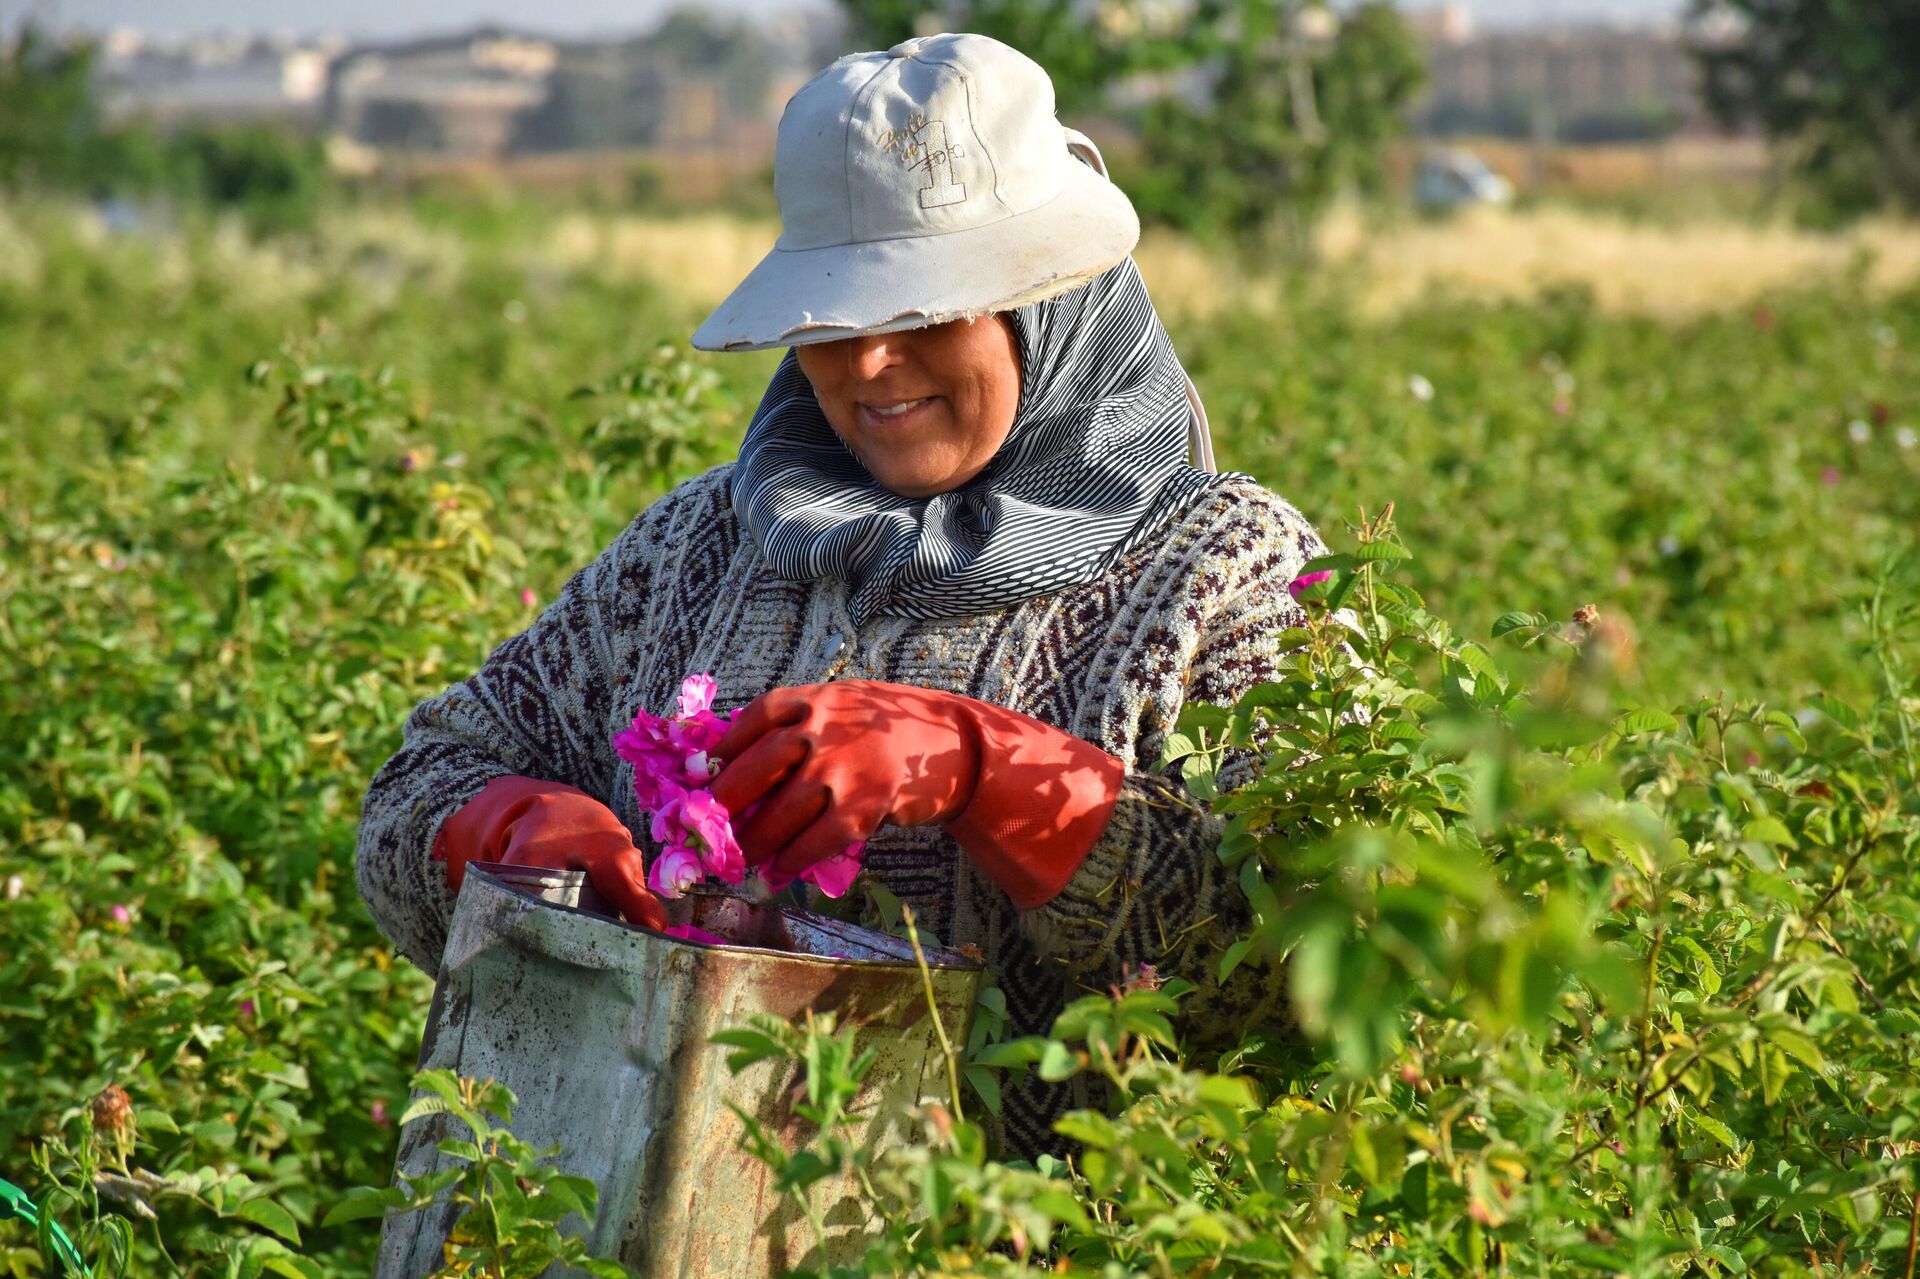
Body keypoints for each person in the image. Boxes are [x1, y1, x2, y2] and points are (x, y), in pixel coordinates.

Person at [355, 31, 1328, 1157]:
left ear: (1051, 306)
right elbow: (419, 788)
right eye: (836, 320)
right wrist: (512, 827)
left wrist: (982, 767)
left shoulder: (1228, 573)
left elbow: (1306, 963)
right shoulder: (701, 543)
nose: (866, 366)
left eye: (923, 315)